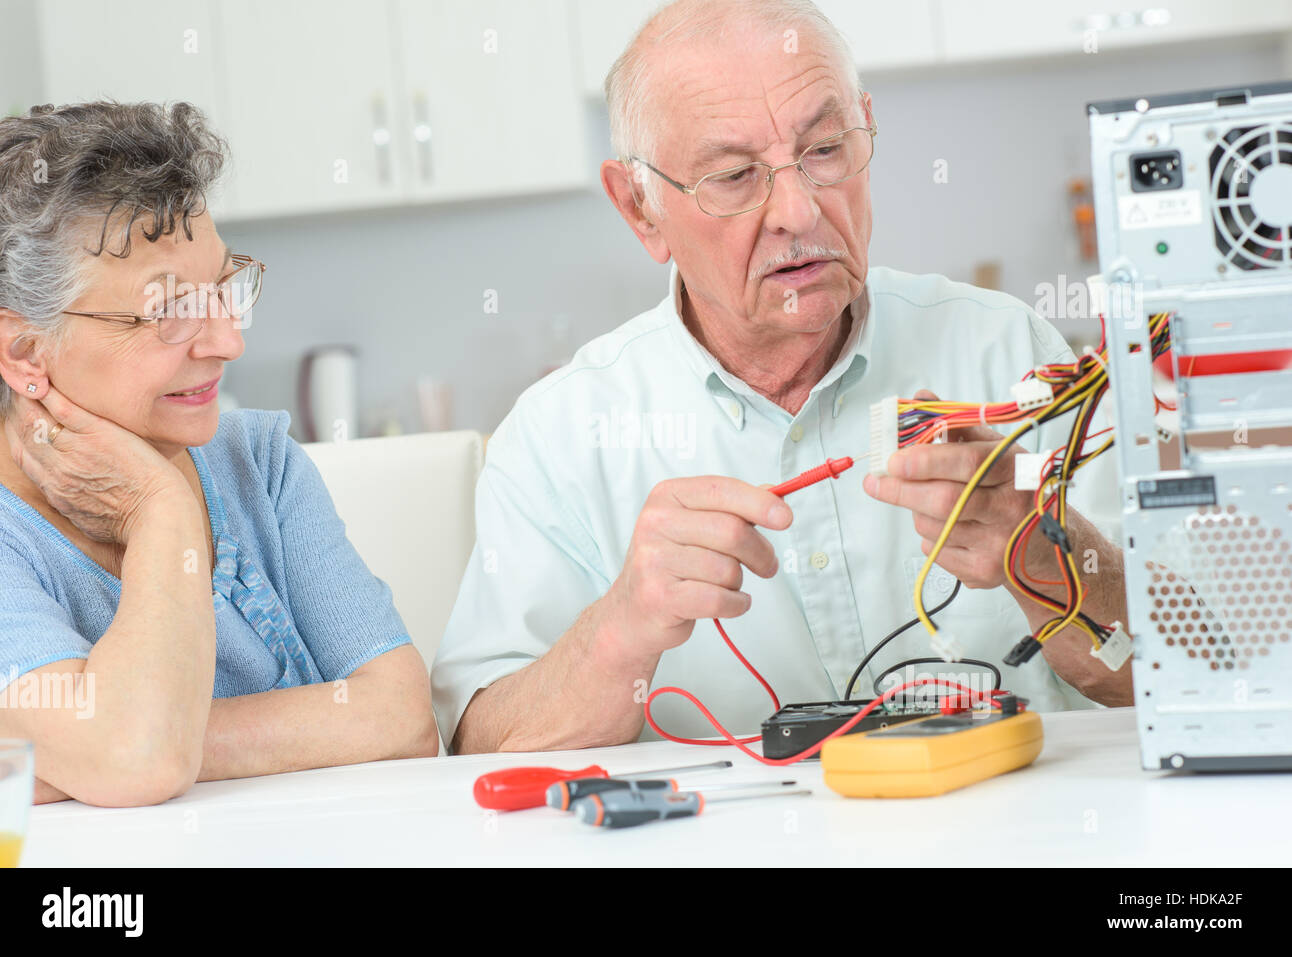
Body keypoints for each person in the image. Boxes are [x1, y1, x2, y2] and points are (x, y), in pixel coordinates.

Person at [431, 0, 1131, 755]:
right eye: (734, 176)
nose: (798, 210)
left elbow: (1187, 669)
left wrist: (1042, 553)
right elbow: (479, 750)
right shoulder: (556, 438)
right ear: (640, 208)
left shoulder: (1010, 353)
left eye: (826, 149)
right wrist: (621, 629)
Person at [0, 102, 438, 807]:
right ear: (24, 351)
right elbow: (139, 756)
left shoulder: (257, 459)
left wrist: (77, 760)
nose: (227, 341)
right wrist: (162, 510)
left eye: (225, 289)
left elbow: (403, 715)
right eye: (169, 309)